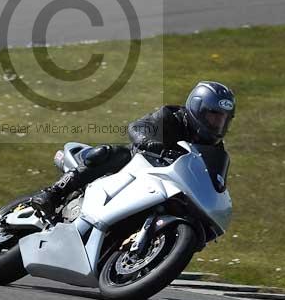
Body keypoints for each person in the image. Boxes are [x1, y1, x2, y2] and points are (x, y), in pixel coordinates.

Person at [31, 80, 236, 217]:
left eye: (223, 119)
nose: (217, 124)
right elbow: (137, 128)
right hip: (138, 164)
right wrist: (148, 142)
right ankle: (53, 194)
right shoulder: (170, 117)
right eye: (213, 116)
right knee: (110, 154)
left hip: (165, 185)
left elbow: (215, 184)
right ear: (197, 108)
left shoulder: (215, 149)